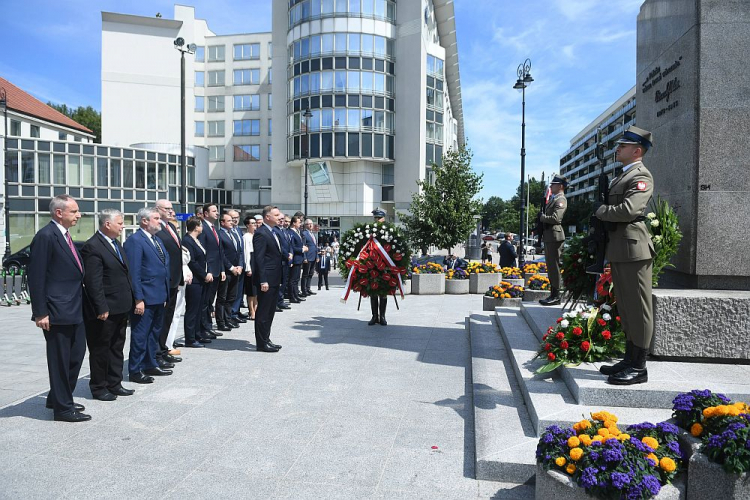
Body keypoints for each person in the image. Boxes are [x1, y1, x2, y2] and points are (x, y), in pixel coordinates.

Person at [595, 126, 655, 386]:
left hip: (634, 249)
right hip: (621, 248)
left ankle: (639, 366)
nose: (618, 148)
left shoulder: (641, 176)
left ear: (637, 150)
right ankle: (630, 358)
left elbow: (630, 209)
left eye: (623, 145)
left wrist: (601, 211)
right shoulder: (623, 176)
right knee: (627, 308)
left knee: (639, 308)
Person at [28, 195, 90, 422]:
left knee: (75, 356)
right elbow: (35, 277)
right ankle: (63, 409)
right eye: (74, 211)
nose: (79, 215)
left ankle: (58, 397)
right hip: (56, 310)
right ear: (59, 213)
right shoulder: (46, 236)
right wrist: (40, 312)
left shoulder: (64, 235)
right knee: (60, 360)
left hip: (74, 308)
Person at [80, 209, 135, 402]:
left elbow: (124, 274)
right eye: (120, 223)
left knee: (117, 347)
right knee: (100, 348)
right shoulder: (93, 246)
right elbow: (93, 282)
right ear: (107, 224)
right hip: (106, 309)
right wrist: (100, 307)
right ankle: (99, 387)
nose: (123, 226)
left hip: (121, 305)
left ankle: (114, 382)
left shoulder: (115, 244)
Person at [123, 207, 172, 384]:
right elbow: (134, 272)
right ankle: (135, 370)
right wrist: (138, 299)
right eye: (156, 218)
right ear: (144, 221)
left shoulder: (156, 240)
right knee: (140, 334)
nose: (159, 221)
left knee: (154, 333)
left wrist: (165, 294)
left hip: (159, 295)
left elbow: (163, 267)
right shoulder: (135, 241)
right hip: (145, 297)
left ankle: (150, 363)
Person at [154, 199, 183, 364]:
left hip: (174, 281)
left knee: (168, 318)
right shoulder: (157, 229)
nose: (172, 211)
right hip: (164, 281)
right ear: (158, 209)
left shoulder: (170, 226)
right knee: (162, 319)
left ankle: (163, 349)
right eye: (168, 208)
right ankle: (157, 352)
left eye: (172, 208)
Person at [253, 206, 284, 352]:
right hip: (266, 280)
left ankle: (266, 338)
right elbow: (259, 259)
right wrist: (263, 280)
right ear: (267, 217)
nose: (279, 217)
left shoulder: (273, 231)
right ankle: (261, 343)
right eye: (276, 215)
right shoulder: (261, 233)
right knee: (263, 312)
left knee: (270, 311)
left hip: (275, 278)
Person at [538, 175, 569, 306]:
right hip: (550, 235)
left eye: (553, 184)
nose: (551, 186)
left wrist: (542, 218)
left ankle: (556, 296)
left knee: (554, 266)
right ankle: (553, 294)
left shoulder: (561, 199)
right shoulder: (554, 199)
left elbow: (557, 218)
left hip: (555, 236)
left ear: (561, 186)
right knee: (551, 266)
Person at [198, 203, 224, 340]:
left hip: (216, 270)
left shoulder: (215, 228)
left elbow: (219, 251)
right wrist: (207, 270)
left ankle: (208, 326)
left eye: (217, 211)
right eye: (214, 211)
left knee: (210, 302)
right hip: (208, 271)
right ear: (206, 214)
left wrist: (222, 269)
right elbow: (203, 252)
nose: (217, 213)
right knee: (205, 302)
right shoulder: (202, 228)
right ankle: (203, 329)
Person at [182, 217, 209, 347]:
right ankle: (190, 338)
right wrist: (204, 275)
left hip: (201, 280)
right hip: (195, 279)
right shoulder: (187, 240)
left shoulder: (196, 240)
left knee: (199, 308)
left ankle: (198, 334)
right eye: (201, 225)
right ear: (196, 227)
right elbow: (192, 262)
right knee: (192, 309)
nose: (202, 227)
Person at [216, 212, 243, 331]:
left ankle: (228, 318)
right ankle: (221, 322)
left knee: (232, 296)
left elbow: (240, 251)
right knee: (222, 297)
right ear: (222, 222)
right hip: (227, 271)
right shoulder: (220, 234)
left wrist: (240, 266)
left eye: (232, 221)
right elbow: (221, 254)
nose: (232, 222)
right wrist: (231, 268)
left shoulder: (234, 233)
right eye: (229, 221)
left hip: (237, 269)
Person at [368, 208, 389, 326]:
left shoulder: (388, 230)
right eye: (375, 218)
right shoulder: (369, 230)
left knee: (383, 291)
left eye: (379, 218)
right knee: (373, 291)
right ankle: (374, 316)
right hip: (372, 264)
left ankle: (382, 316)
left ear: (383, 218)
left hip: (385, 265)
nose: (377, 220)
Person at [228, 209, 248, 323]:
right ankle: (231, 313)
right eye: (232, 217)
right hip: (231, 267)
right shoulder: (227, 232)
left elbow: (241, 250)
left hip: (241, 266)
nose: (235, 219)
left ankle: (236, 310)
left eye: (236, 217)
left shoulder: (239, 230)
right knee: (232, 292)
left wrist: (241, 265)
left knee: (239, 290)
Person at [242, 216, 258, 321]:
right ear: (248, 225)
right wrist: (248, 267)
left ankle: (256, 310)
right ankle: (251, 310)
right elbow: (246, 252)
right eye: (252, 223)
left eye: (255, 223)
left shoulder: (256, 235)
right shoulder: (246, 236)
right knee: (251, 290)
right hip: (250, 261)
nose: (255, 224)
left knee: (256, 289)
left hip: (257, 261)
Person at [288, 215, 306, 303]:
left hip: (299, 259)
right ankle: (292, 296)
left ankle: (296, 294)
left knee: (296, 278)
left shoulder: (297, 232)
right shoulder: (291, 232)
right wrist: (302, 249)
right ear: (294, 223)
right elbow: (292, 246)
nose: (300, 224)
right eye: (299, 222)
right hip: (295, 258)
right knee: (293, 279)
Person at [301, 219, 319, 296]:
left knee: (311, 274)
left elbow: (315, 246)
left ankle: (308, 288)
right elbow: (303, 246)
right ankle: (304, 290)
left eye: (311, 223)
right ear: (305, 225)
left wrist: (317, 256)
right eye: (308, 224)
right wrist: (304, 257)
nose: (311, 225)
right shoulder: (304, 233)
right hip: (308, 257)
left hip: (314, 256)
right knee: (305, 274)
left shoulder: (313, 234)